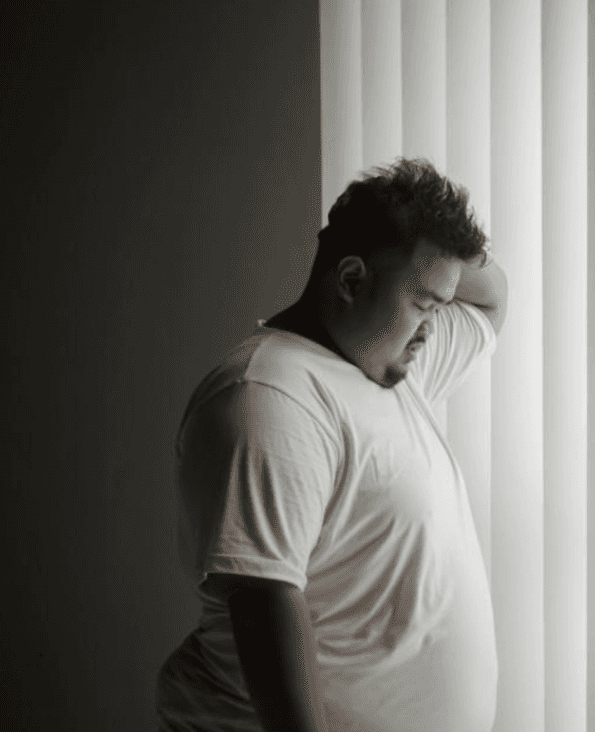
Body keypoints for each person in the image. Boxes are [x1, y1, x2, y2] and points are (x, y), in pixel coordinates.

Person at [155, 158, 508, 732]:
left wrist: (433, 252)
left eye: (440, 307)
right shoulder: (271, 397)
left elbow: (493, 298)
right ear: (350, 280)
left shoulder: (395, 364)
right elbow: (265, 606)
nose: (431, 327)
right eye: (423, 305)